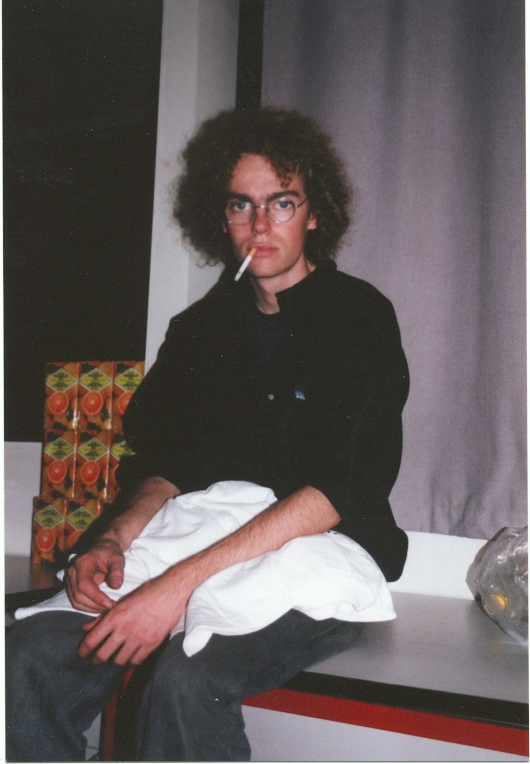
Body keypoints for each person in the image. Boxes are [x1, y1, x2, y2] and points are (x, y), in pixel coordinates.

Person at [6, 107, 410, 762]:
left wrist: (175, 590)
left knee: (186, 679)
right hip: (200, 534)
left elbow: (337, 491)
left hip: (316, 551)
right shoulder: (199, 330)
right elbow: (167, 464)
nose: (260, 224)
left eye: (281, 202)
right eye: (241, 204)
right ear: (221, 217)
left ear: (315, 213)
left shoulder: (359, 318)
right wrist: (111, 538)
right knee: (24, 655)